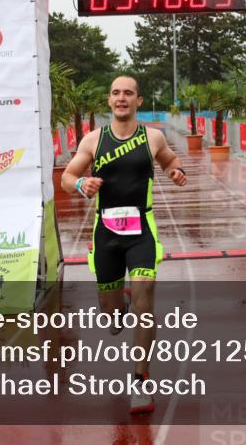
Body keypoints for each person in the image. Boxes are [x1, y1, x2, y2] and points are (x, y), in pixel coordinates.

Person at [61, 75, 187, 414]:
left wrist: (176, 172)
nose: (122, 98)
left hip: (142, 231)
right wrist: (83, 184)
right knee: (113, 321)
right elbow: (67, 177)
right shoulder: (92, 140)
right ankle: (120, 306)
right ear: (109, 100)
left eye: (128, 93)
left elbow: (171, 162)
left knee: (146, 301)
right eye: (116, 93)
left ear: (138, 101)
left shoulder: (152, 137)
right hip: (106, 236)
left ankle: (141, 380)